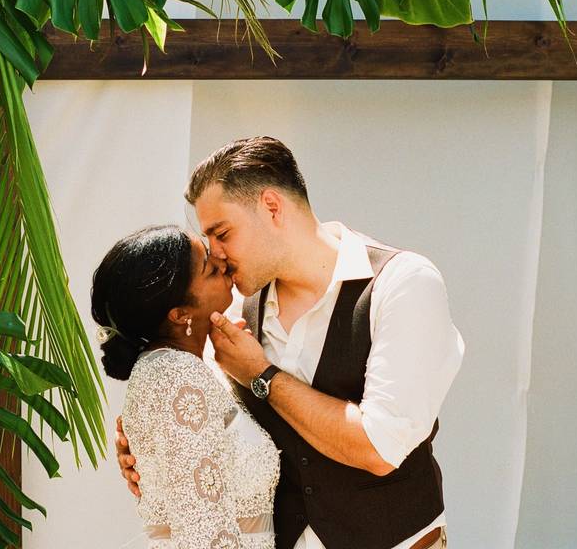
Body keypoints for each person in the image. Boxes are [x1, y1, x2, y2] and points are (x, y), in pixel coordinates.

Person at [116, 137, 465, 549]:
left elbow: (379, 446)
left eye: (222, 233)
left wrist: (261, 375)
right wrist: (148, 452)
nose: (218, 255)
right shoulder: (230, 312)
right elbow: (202, 424)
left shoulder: (403, 284)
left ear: (271, 207)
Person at [92, 224, 281, 548]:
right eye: (209, 268)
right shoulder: (177, 377)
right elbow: (204, 533)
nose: (221, 261)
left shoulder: (181, 367)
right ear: (180, 315)